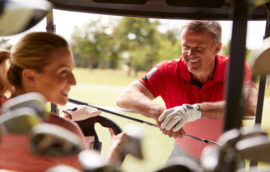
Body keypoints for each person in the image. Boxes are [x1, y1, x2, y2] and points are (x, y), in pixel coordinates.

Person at [117, 20, 258, 163]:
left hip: (227, 157)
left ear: (217, 48)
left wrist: (195, 110)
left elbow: (251, 106)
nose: (190, 54)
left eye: (199, 48)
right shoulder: (168, 70)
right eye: (186, 47)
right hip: (182, 155)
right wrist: (160, 113)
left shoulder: (237, 67)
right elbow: (126, 96)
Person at [0, 32, 127, 172]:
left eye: (71, 70)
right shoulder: (67, 131)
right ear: (30, 77)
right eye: (63, 72)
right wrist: (116, 151)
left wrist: (66, 117)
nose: (73, 82)